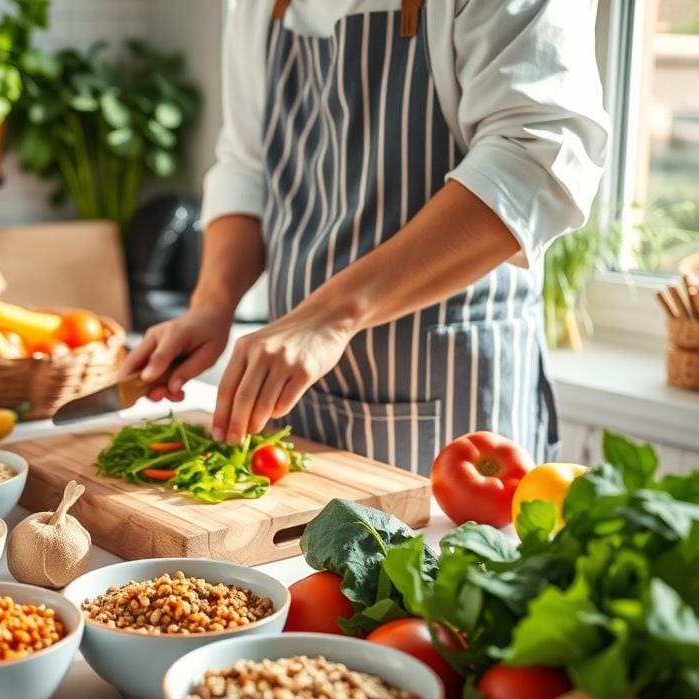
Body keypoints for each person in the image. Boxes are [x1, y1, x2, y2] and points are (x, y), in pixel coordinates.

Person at [122, 0, 609, 475]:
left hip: (454, 416)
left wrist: (328, 318)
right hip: (300, 407)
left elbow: (533, 158)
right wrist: (211, 305)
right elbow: (248, 166)